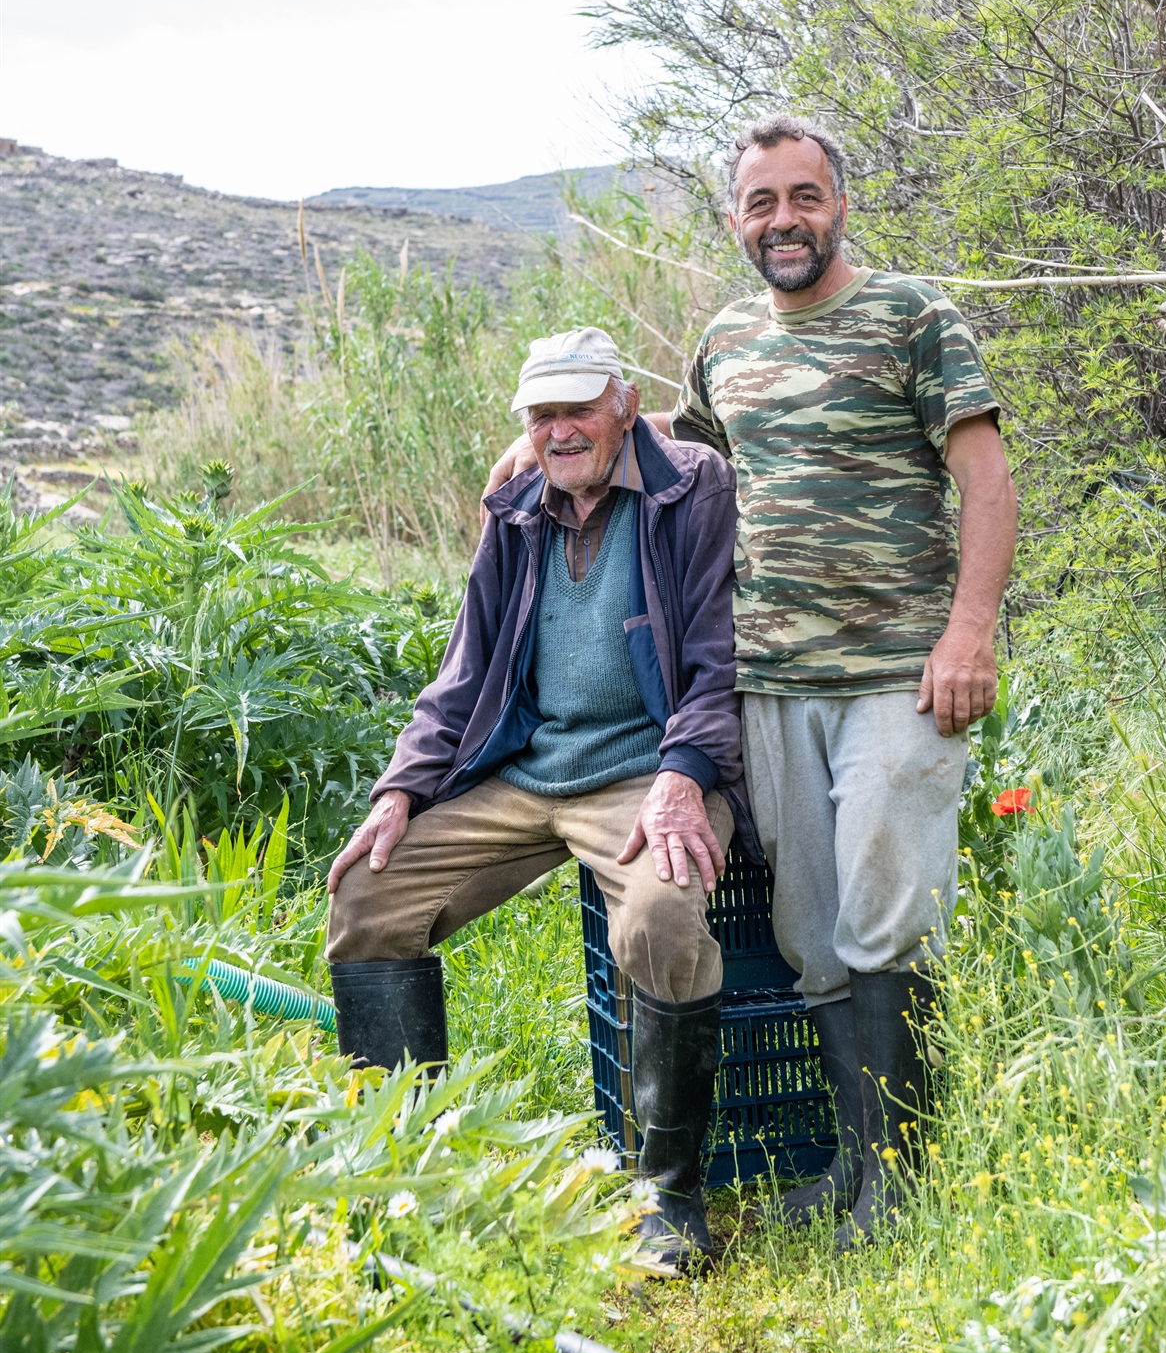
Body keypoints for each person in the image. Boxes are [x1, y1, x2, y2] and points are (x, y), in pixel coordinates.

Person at [487, 116, 1016, 1249]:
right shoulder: (725, 339)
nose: (784, 219)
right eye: (760, 201)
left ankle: (901, 1184)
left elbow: (984, 475)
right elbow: (679, 460)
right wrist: (548, 441)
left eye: (803, 195)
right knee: (816, 927)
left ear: (839, 201)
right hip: (767, 683)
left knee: (884, 917)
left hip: (896, 675)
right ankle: (852, 1163)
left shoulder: (910, 317)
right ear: (735, 218)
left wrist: (970, 630)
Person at [326, 326, 754, 1271]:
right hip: (525, 773)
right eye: (541, 414)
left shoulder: (689, 488)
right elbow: (465, 666)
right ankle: (410, 1166)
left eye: (576, 409)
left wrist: (686, 778)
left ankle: (668, 1194)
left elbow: (719, 656)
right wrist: (402, 788)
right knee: (367, 895)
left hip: (649, 775)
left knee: (659, 922)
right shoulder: (516, 505)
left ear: (623, 406)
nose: (560, 431)